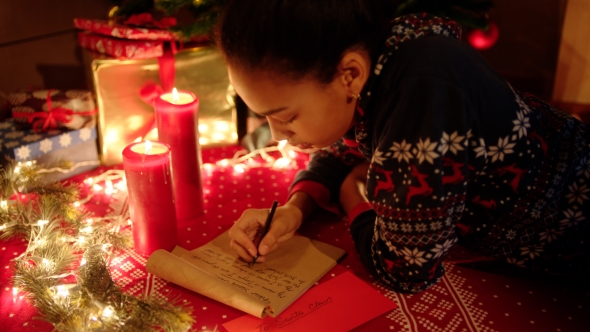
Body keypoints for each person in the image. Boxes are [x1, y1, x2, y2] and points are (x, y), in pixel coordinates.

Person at [215, 0, 590, 293]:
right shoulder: (386, 57)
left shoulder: (421, 96)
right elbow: (343, 150)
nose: (277, 135)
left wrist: (352, 192)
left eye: (287, 116)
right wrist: (294, 210)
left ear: (350, 74)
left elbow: (404, 270)